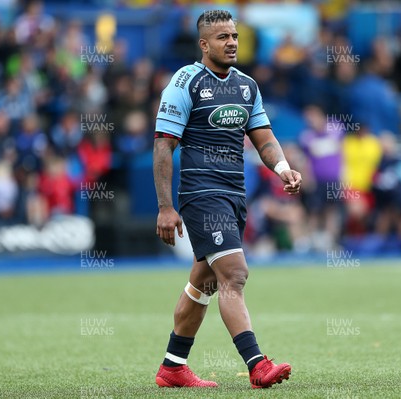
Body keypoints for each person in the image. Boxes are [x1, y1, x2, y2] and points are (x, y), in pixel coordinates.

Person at [152, 10, 302, 389]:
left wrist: (283, 168)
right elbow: (163, 147)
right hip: (202, 195)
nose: (232, 42)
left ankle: (172, 366)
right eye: (222, 37)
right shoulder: (185, 82)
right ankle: (257, 364)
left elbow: (264, 139)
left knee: (204, 283)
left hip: (235, 194)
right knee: (234, 274)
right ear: (204, 44)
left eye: (234, 35)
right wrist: (166, 207)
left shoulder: (247, 86)